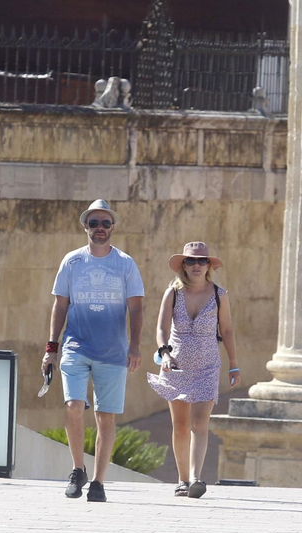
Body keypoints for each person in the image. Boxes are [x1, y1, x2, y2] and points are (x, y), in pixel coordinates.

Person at [42, 199, 145, 502]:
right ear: (85, 226)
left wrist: (135, 345)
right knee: (74, 406)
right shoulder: (72, 261)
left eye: (105, 223)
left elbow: (136, 308)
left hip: (113, 351)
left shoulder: (125, 263)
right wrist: (51, 348)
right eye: (94, 223)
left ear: (113, 227)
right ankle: (77, 469)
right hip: (76, 345)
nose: (99, 229)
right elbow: (60, 305)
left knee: (105, 417)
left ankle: (98, 481)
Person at [147, 241, 239, 499]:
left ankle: (197, 477)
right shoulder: (173, 293)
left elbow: (228, 331)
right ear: (183, 265)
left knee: (200, 423)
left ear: (209, 265)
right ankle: (182, 479)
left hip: (208, 365)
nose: (196, 265)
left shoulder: (220, 294)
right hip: (176, 365)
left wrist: (234, 364)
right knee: (180, 425)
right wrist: (164, 352)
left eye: (201, 261)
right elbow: (162, 327)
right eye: (190, 261)